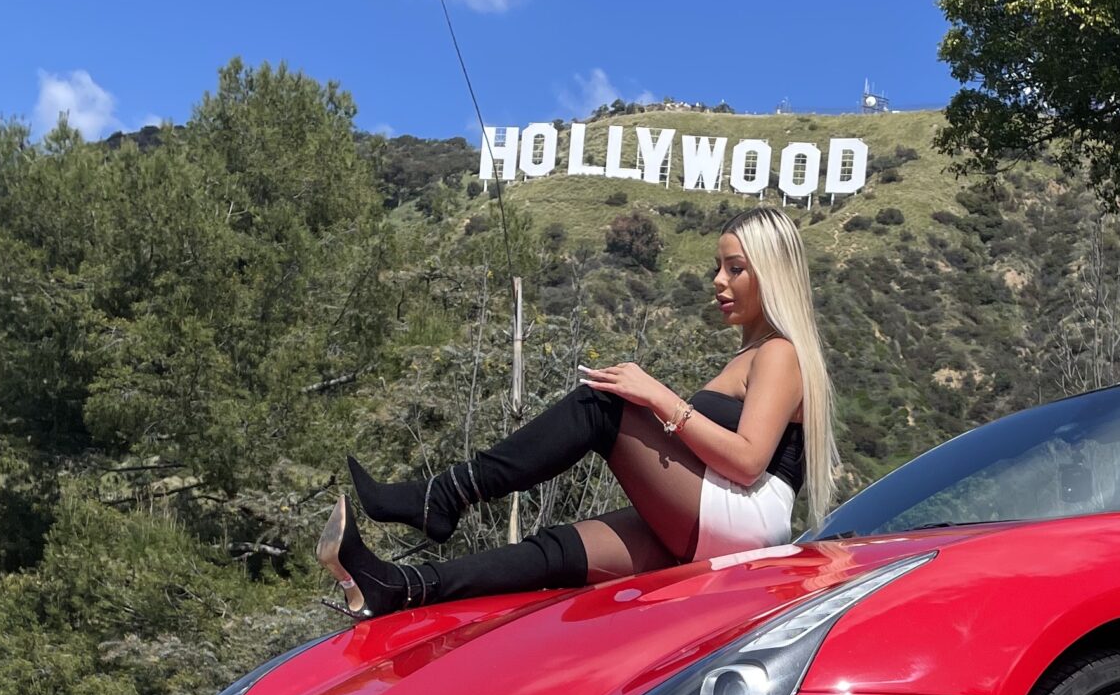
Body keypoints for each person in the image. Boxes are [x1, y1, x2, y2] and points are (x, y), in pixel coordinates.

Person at [319, 204, 837, 617]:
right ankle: (399, 588)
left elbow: (747, 461)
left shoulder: (780, 352)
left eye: (736, 268)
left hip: (743, 515)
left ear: (772, 274)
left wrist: (659, 398)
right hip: (724, 517)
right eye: (717, 268)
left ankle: (443, 496)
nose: (718, 282)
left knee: (600, 404)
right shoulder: (752, 355)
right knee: (562, 552)